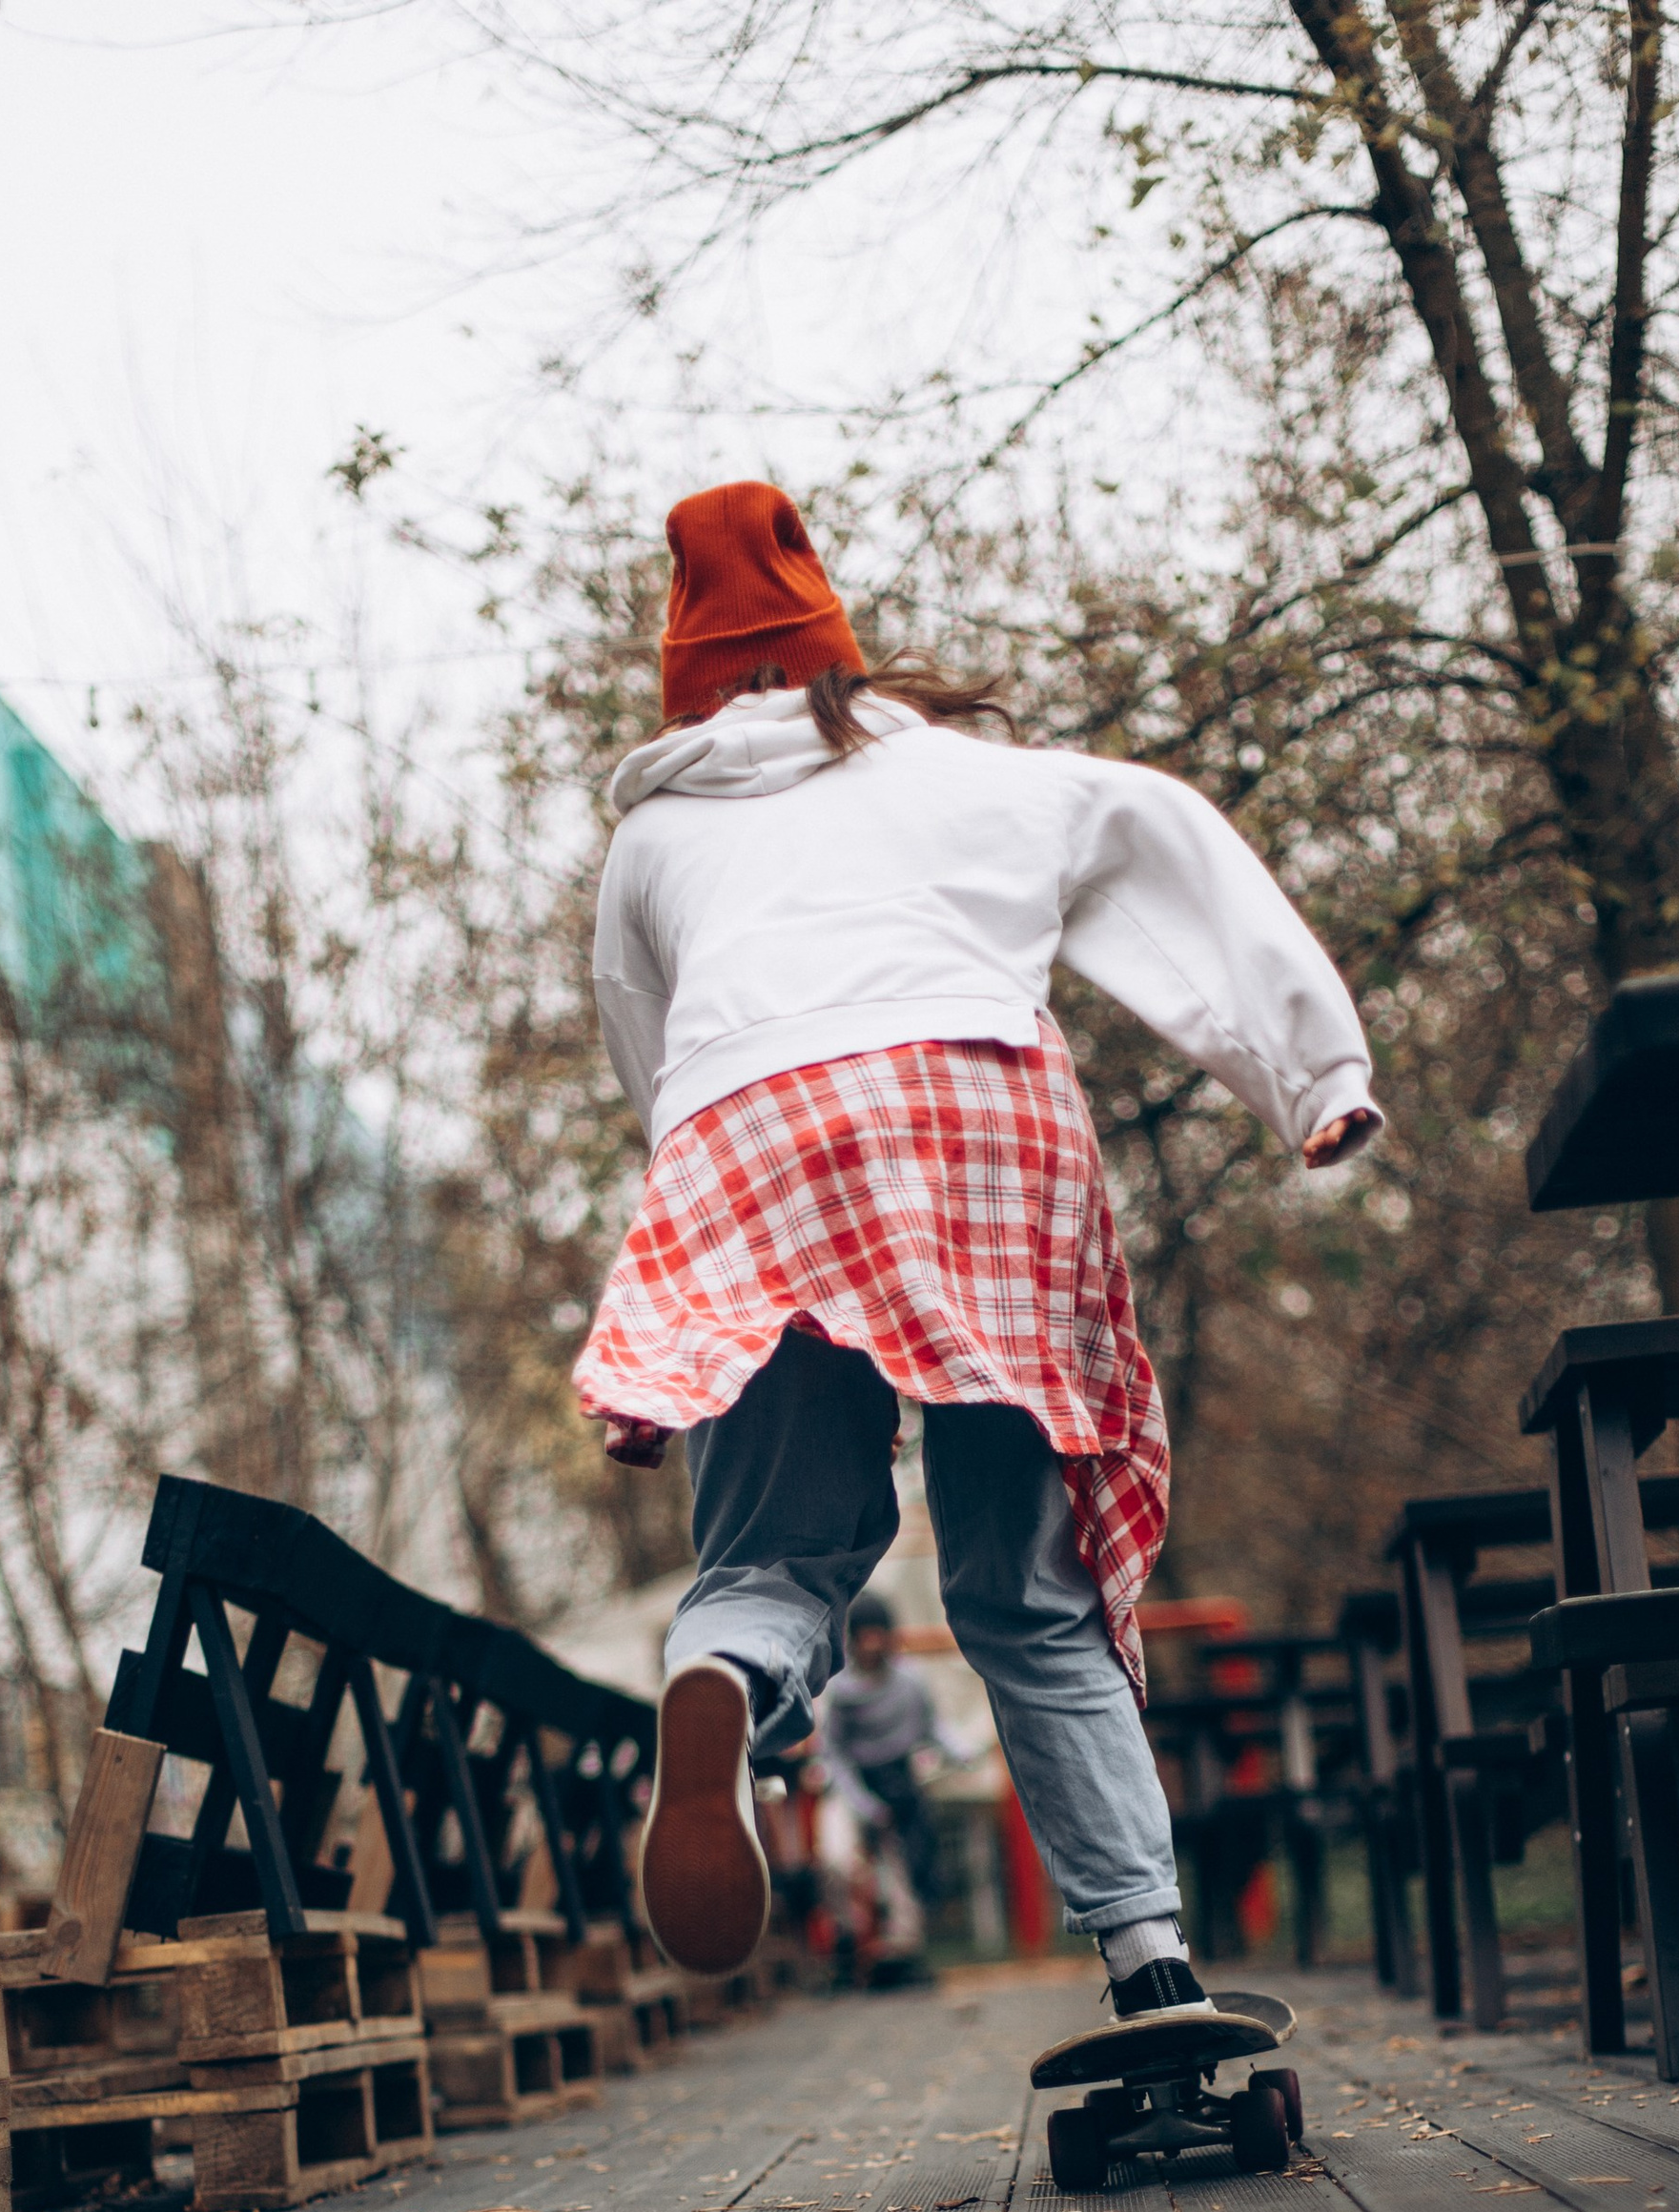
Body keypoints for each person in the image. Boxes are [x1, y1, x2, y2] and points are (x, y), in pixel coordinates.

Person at [578, 480, 1381, 2023]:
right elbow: (1161, 828)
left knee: (770, 1555)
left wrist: (703, 1303)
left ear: (686, 681)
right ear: (839, 657)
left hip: (749, 1139)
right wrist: (1312, 1075)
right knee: (1025, 1589)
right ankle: (1152, 1962)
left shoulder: (653, 841)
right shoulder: (962, 772)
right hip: (974, 1123)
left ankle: (727, 1681)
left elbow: (653, 1066)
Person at [816, 1594, 952, 1915]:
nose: (873, 1645)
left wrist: (961, 1753)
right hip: (853, 1785)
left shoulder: (910, 1681)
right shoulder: (841, 1690)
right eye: (866, 1636)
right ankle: (848, 1941)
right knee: (838, 1861)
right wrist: (862, 1803)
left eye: (879, 1635)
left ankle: (900, 1949)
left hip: (899, 1783)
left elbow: (931, 1728)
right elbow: (833, 1752)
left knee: (905, 1870)